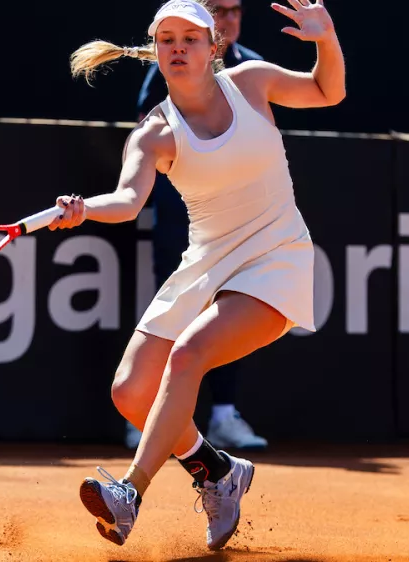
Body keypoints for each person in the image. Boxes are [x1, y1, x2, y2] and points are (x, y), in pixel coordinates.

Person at [57, 0, 345, 550]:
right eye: (167, 39)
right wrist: (84, 209)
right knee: (131, 392)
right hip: (207, 262)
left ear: (214, 47)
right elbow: (127, 200)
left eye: (190, 39)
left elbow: (326, 91)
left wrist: (325, 40)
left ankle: (130, 492)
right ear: (156, 50)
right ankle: (217, 472)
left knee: (187, 355)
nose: (178, 48)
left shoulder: (252, 82)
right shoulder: (154, 132)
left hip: (276, 255)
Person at [126, 0, 269, 453]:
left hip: (238, 221)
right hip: (181, 216)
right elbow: (148, 133)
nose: (229, 19)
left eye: (235, 10)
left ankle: (223, 414)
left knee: (226, 317)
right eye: (220, 10)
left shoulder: (251, 68)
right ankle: (147, 414)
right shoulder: (170, 68)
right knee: (173, 316)